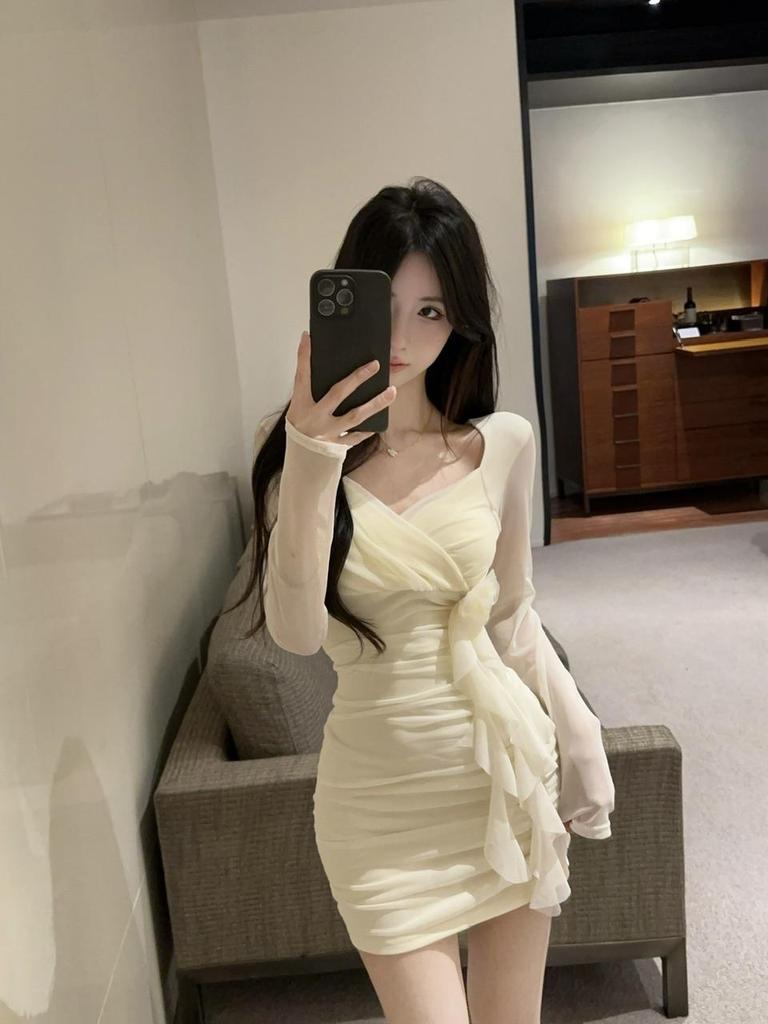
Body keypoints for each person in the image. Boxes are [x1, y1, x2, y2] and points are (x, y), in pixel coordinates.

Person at [223, 177, 615, 1024]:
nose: (403, 338)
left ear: (462, 319)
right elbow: (295, 633)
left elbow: (511, 615)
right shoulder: (289, 452)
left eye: (431, 311)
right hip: (380, 809)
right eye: (387, 307)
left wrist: (579, 730)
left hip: (502, 776)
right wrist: (313, 454)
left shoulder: (501, 443)